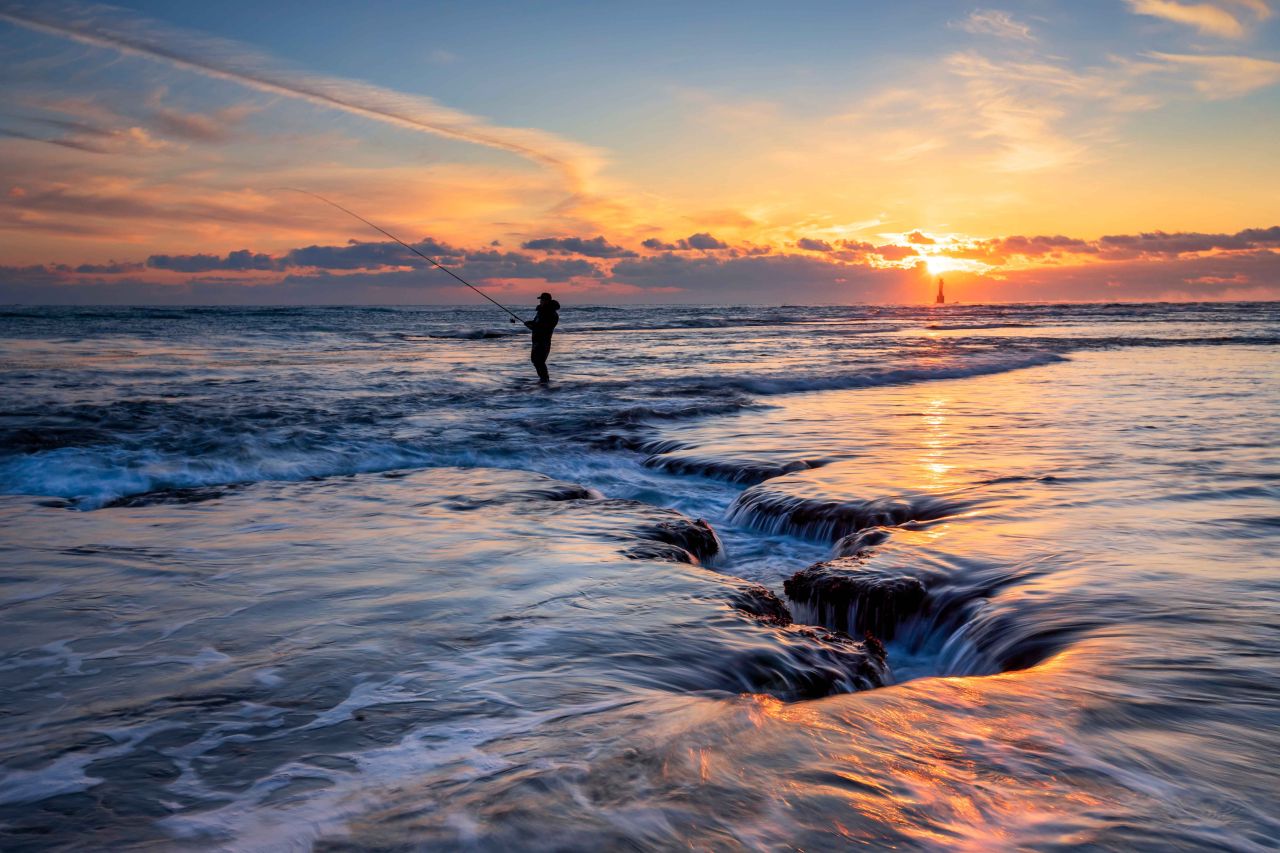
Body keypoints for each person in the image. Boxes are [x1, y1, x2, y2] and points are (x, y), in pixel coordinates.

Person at [524, 292, 560, 382]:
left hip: (543, 341)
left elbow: (545, 327)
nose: (540, 301)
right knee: (535, 360)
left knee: (539, 361)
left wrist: (532, 326)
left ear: (547, 301)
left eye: (542, 300)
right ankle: (543, 380)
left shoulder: (551, 314)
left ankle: (545, 380)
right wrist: (530, 323)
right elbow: (537, 323)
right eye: (541, 300)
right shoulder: (541, 312)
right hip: (537, 340)